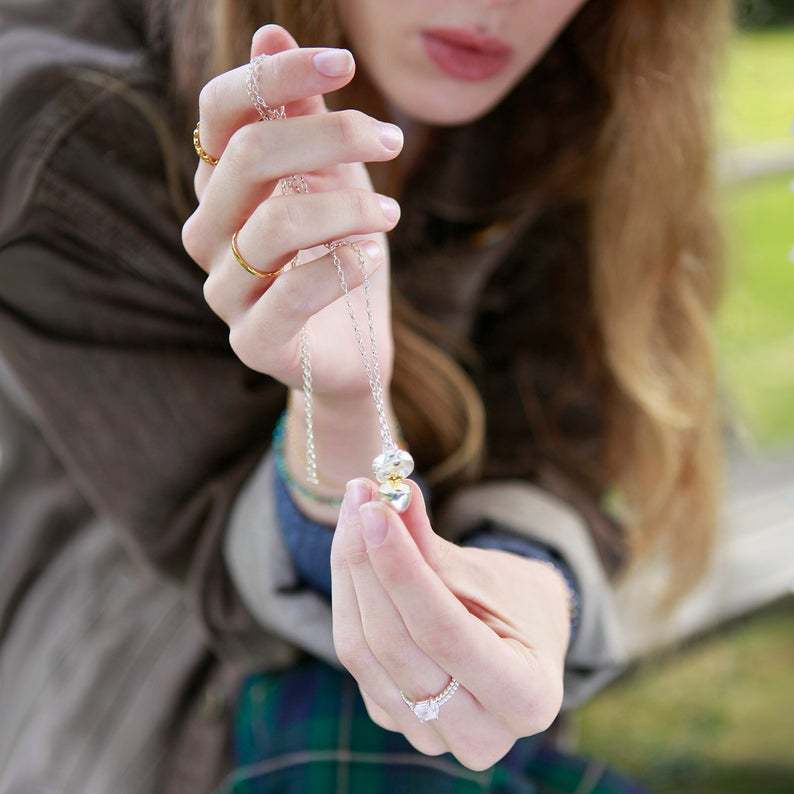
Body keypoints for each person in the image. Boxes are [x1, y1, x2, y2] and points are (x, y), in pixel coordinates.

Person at [0, 0, 731, 792]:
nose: (493, 6)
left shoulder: (578, 84)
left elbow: (554, 430)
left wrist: (527, 579)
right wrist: (340, 409)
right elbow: (207, 529)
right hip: (135, 650)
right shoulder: (64, 123)